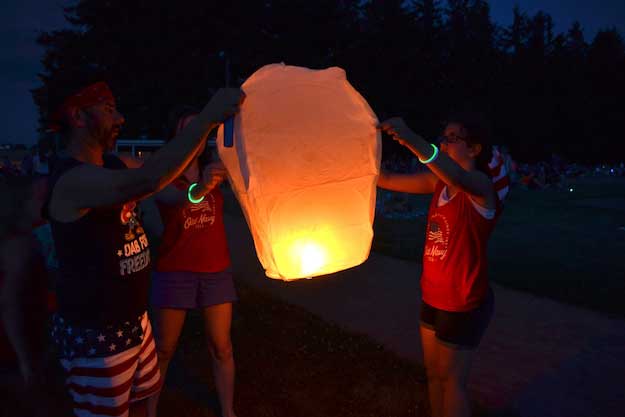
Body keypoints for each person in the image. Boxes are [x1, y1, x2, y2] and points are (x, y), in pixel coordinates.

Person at [41, 79, 243, 417]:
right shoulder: (73, 179)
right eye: (108, 109)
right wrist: (208, 118)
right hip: (98, 335)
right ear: (78, 116)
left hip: (135, 322)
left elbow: (171, 192)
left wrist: (201, 186)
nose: (120, 118)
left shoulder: (115, 165)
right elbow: (149, 178)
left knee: (137, 403)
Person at [377, 113, 500, 417]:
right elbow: (388, 180)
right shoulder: (436, 184)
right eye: (443, 136)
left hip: (462, 301)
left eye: (452, 138)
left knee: (453, 381)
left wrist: (409, 137)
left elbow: (457, 176)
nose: (444, 143)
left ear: (474, 149)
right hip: (432, 296)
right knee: (434, 376)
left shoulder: (481, 188)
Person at [150, 107, 237, 417]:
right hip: (175, 271)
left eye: (200, 130)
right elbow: (176, 200)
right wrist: (201, 187)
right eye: (188, 129)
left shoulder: (217, 170)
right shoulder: (163, 176)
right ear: (176, 138)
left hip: (216, 271)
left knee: (222, 347)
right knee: (163, 349)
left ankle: (228, 412)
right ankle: (149, 410)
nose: (195, 135)